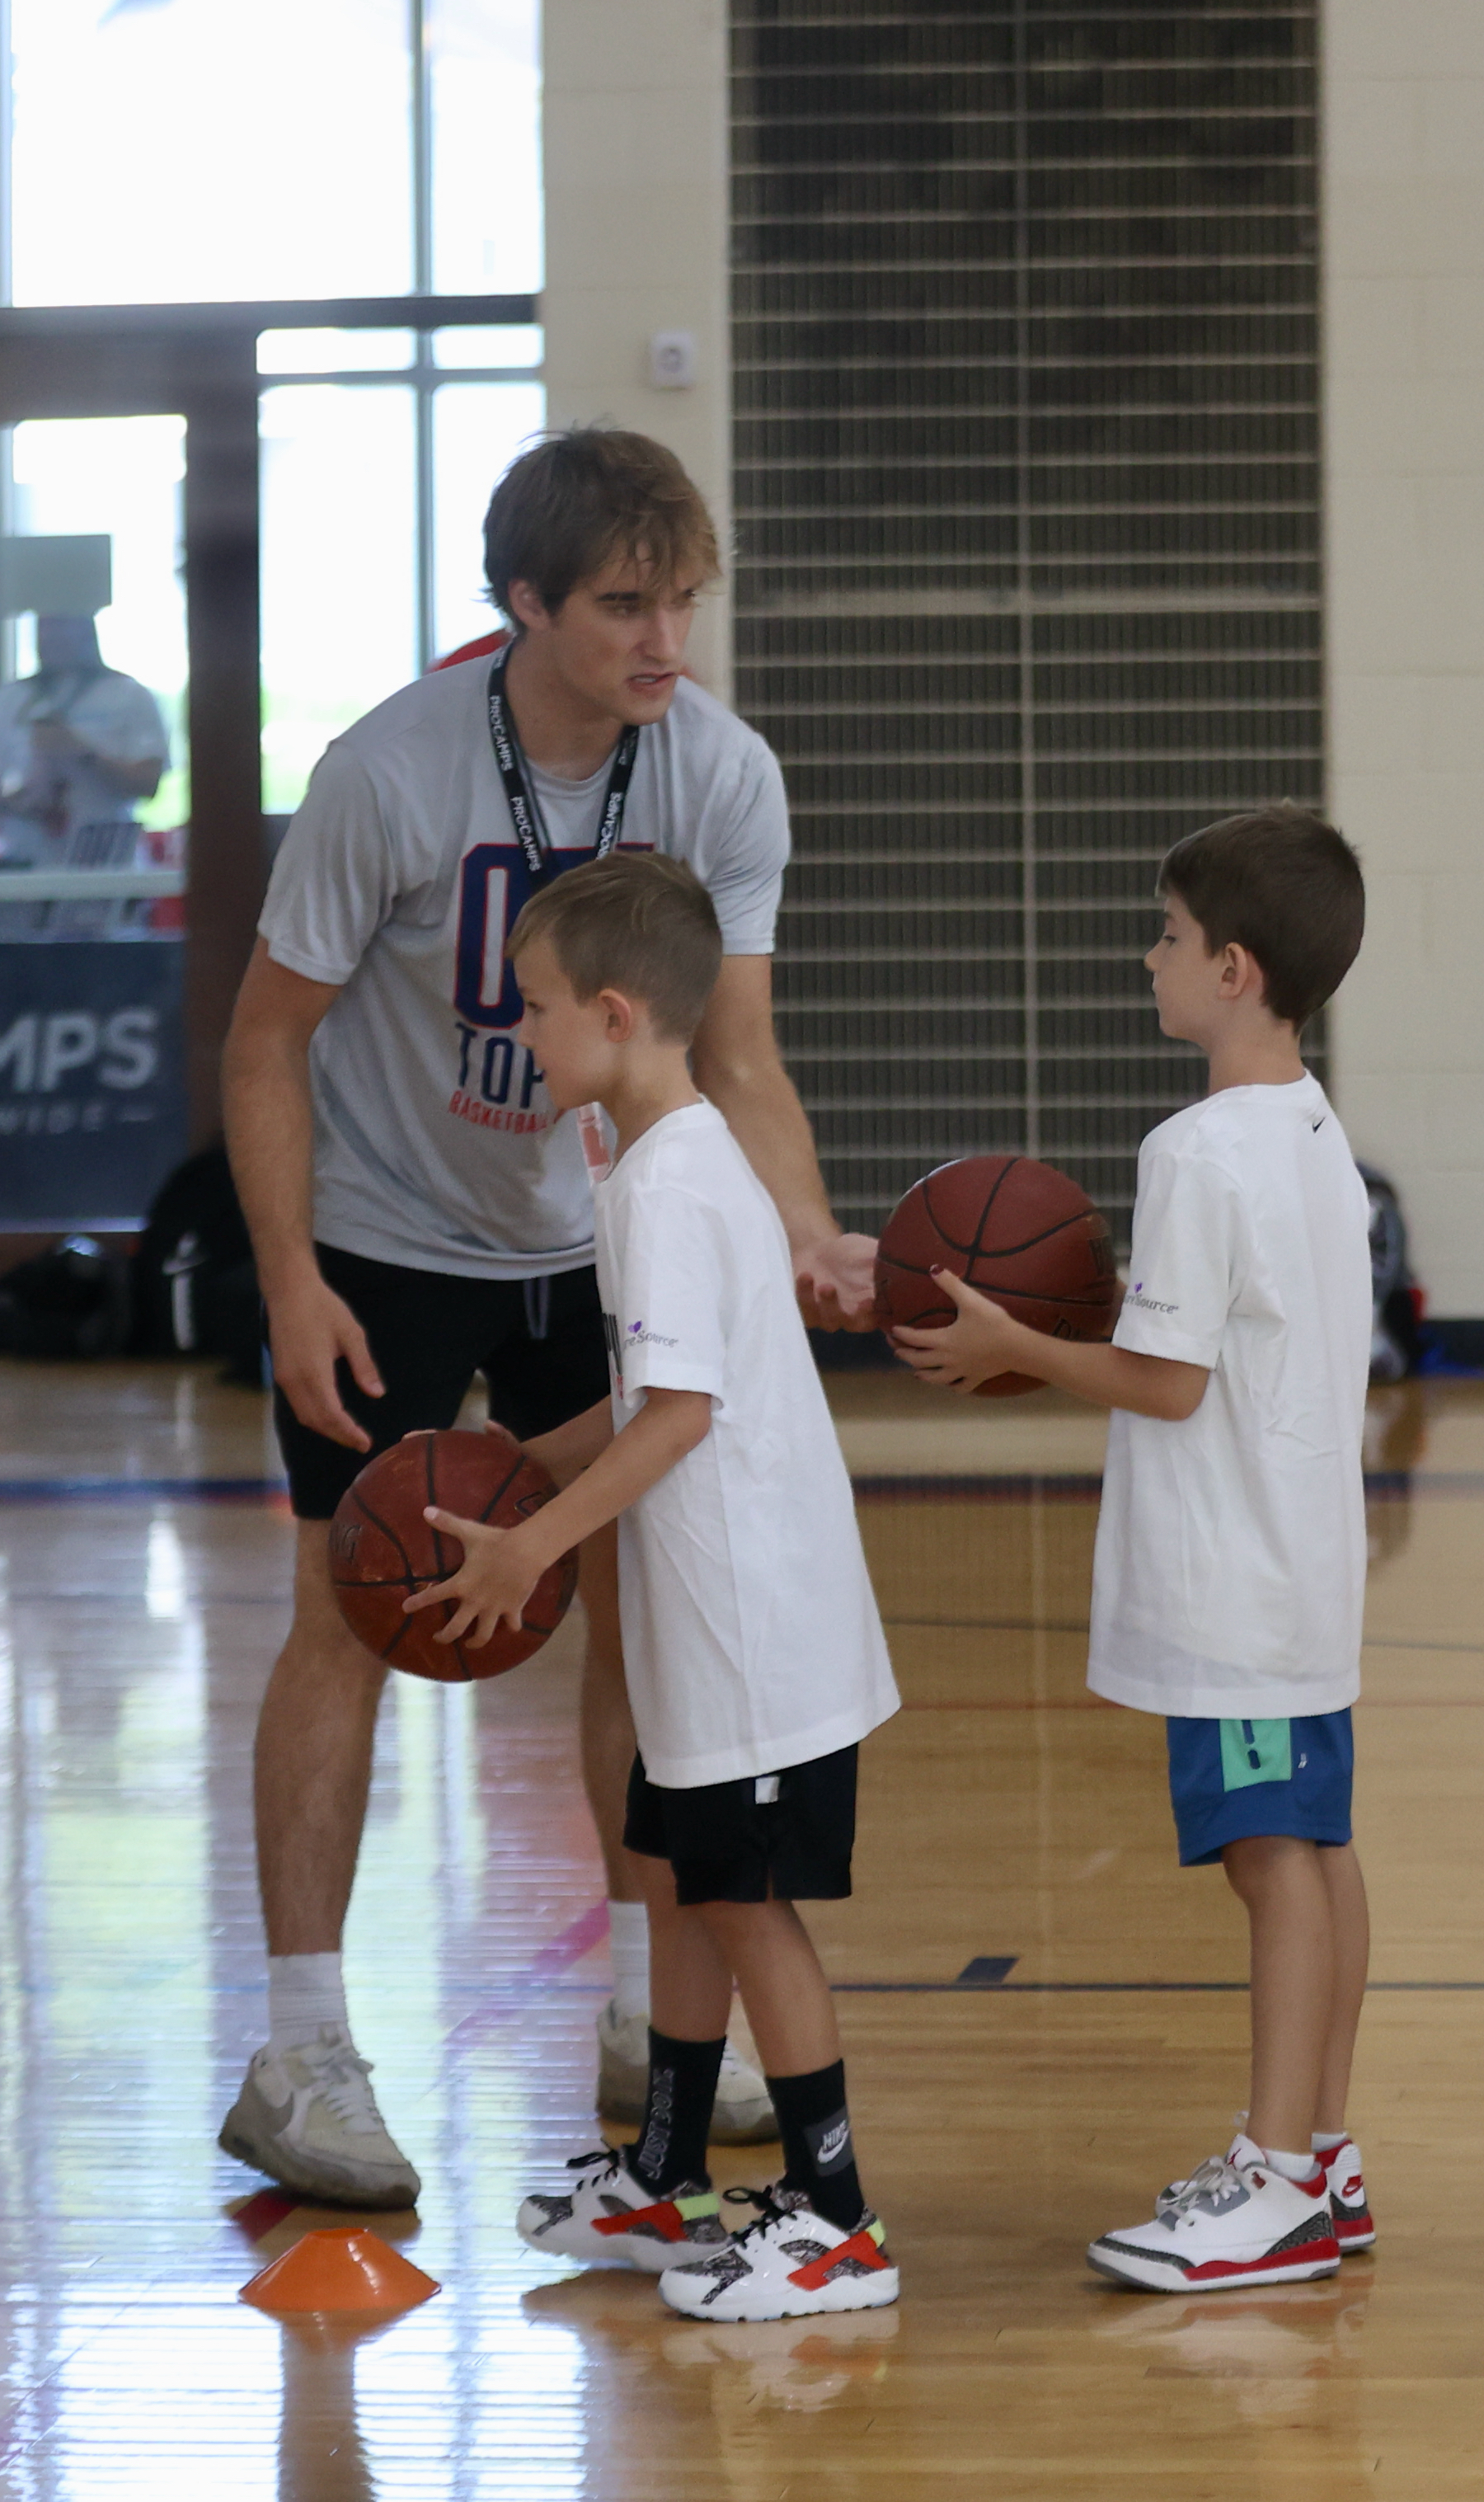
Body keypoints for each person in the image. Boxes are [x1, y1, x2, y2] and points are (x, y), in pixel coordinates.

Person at [218, 428, 869, 2208]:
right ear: (522, 605)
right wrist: (290, 1276)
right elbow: (267, 1035)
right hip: (385, 1233)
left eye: (682, 599)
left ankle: (641, 2024)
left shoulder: (720, 774)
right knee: (345, 1608)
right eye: (623, 604)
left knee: (640, 1621)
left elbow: (739, 1053)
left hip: (601, 1229)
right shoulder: (391, 771)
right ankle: (302, 2040)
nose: (667, 638)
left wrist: (802, 1229)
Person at [890, 807, 1380, 2293]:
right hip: (1300, 1565)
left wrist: (1013, 1341)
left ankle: (1280, 2172)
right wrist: (1039, 1334)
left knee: (1270, 1860)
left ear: (1231, 967)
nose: (1147, 955)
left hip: (1232, 1580)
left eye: (1166, 934)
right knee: (1318, 1854)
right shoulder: (1312, 1128)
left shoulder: (1196, 1145)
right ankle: (1326, 2154)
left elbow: (1168, 1382)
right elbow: (1204, 1338)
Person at [431, 853, 901, 2321]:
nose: (523, 1027)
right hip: (713, 1625)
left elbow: (679, 1418)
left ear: (620, 1014)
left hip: (757, 1625)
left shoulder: (670, 1182)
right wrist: (514, 1462)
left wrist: (535, 1535)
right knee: (693, 1890)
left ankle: (835, 2221)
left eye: (541, 1002)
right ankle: (667, 2172)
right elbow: (655, 1387)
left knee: (750, 1905)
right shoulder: (666, 1161)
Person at [0, 611, 170, 938]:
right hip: (26, 872)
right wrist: (24, 797)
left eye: (61, 623)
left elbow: (148, 783)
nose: (50, 636)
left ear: (86, 628)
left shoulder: (128, 696)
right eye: (44, 625)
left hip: (105, 874)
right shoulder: (11, 700)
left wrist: (83, 751)